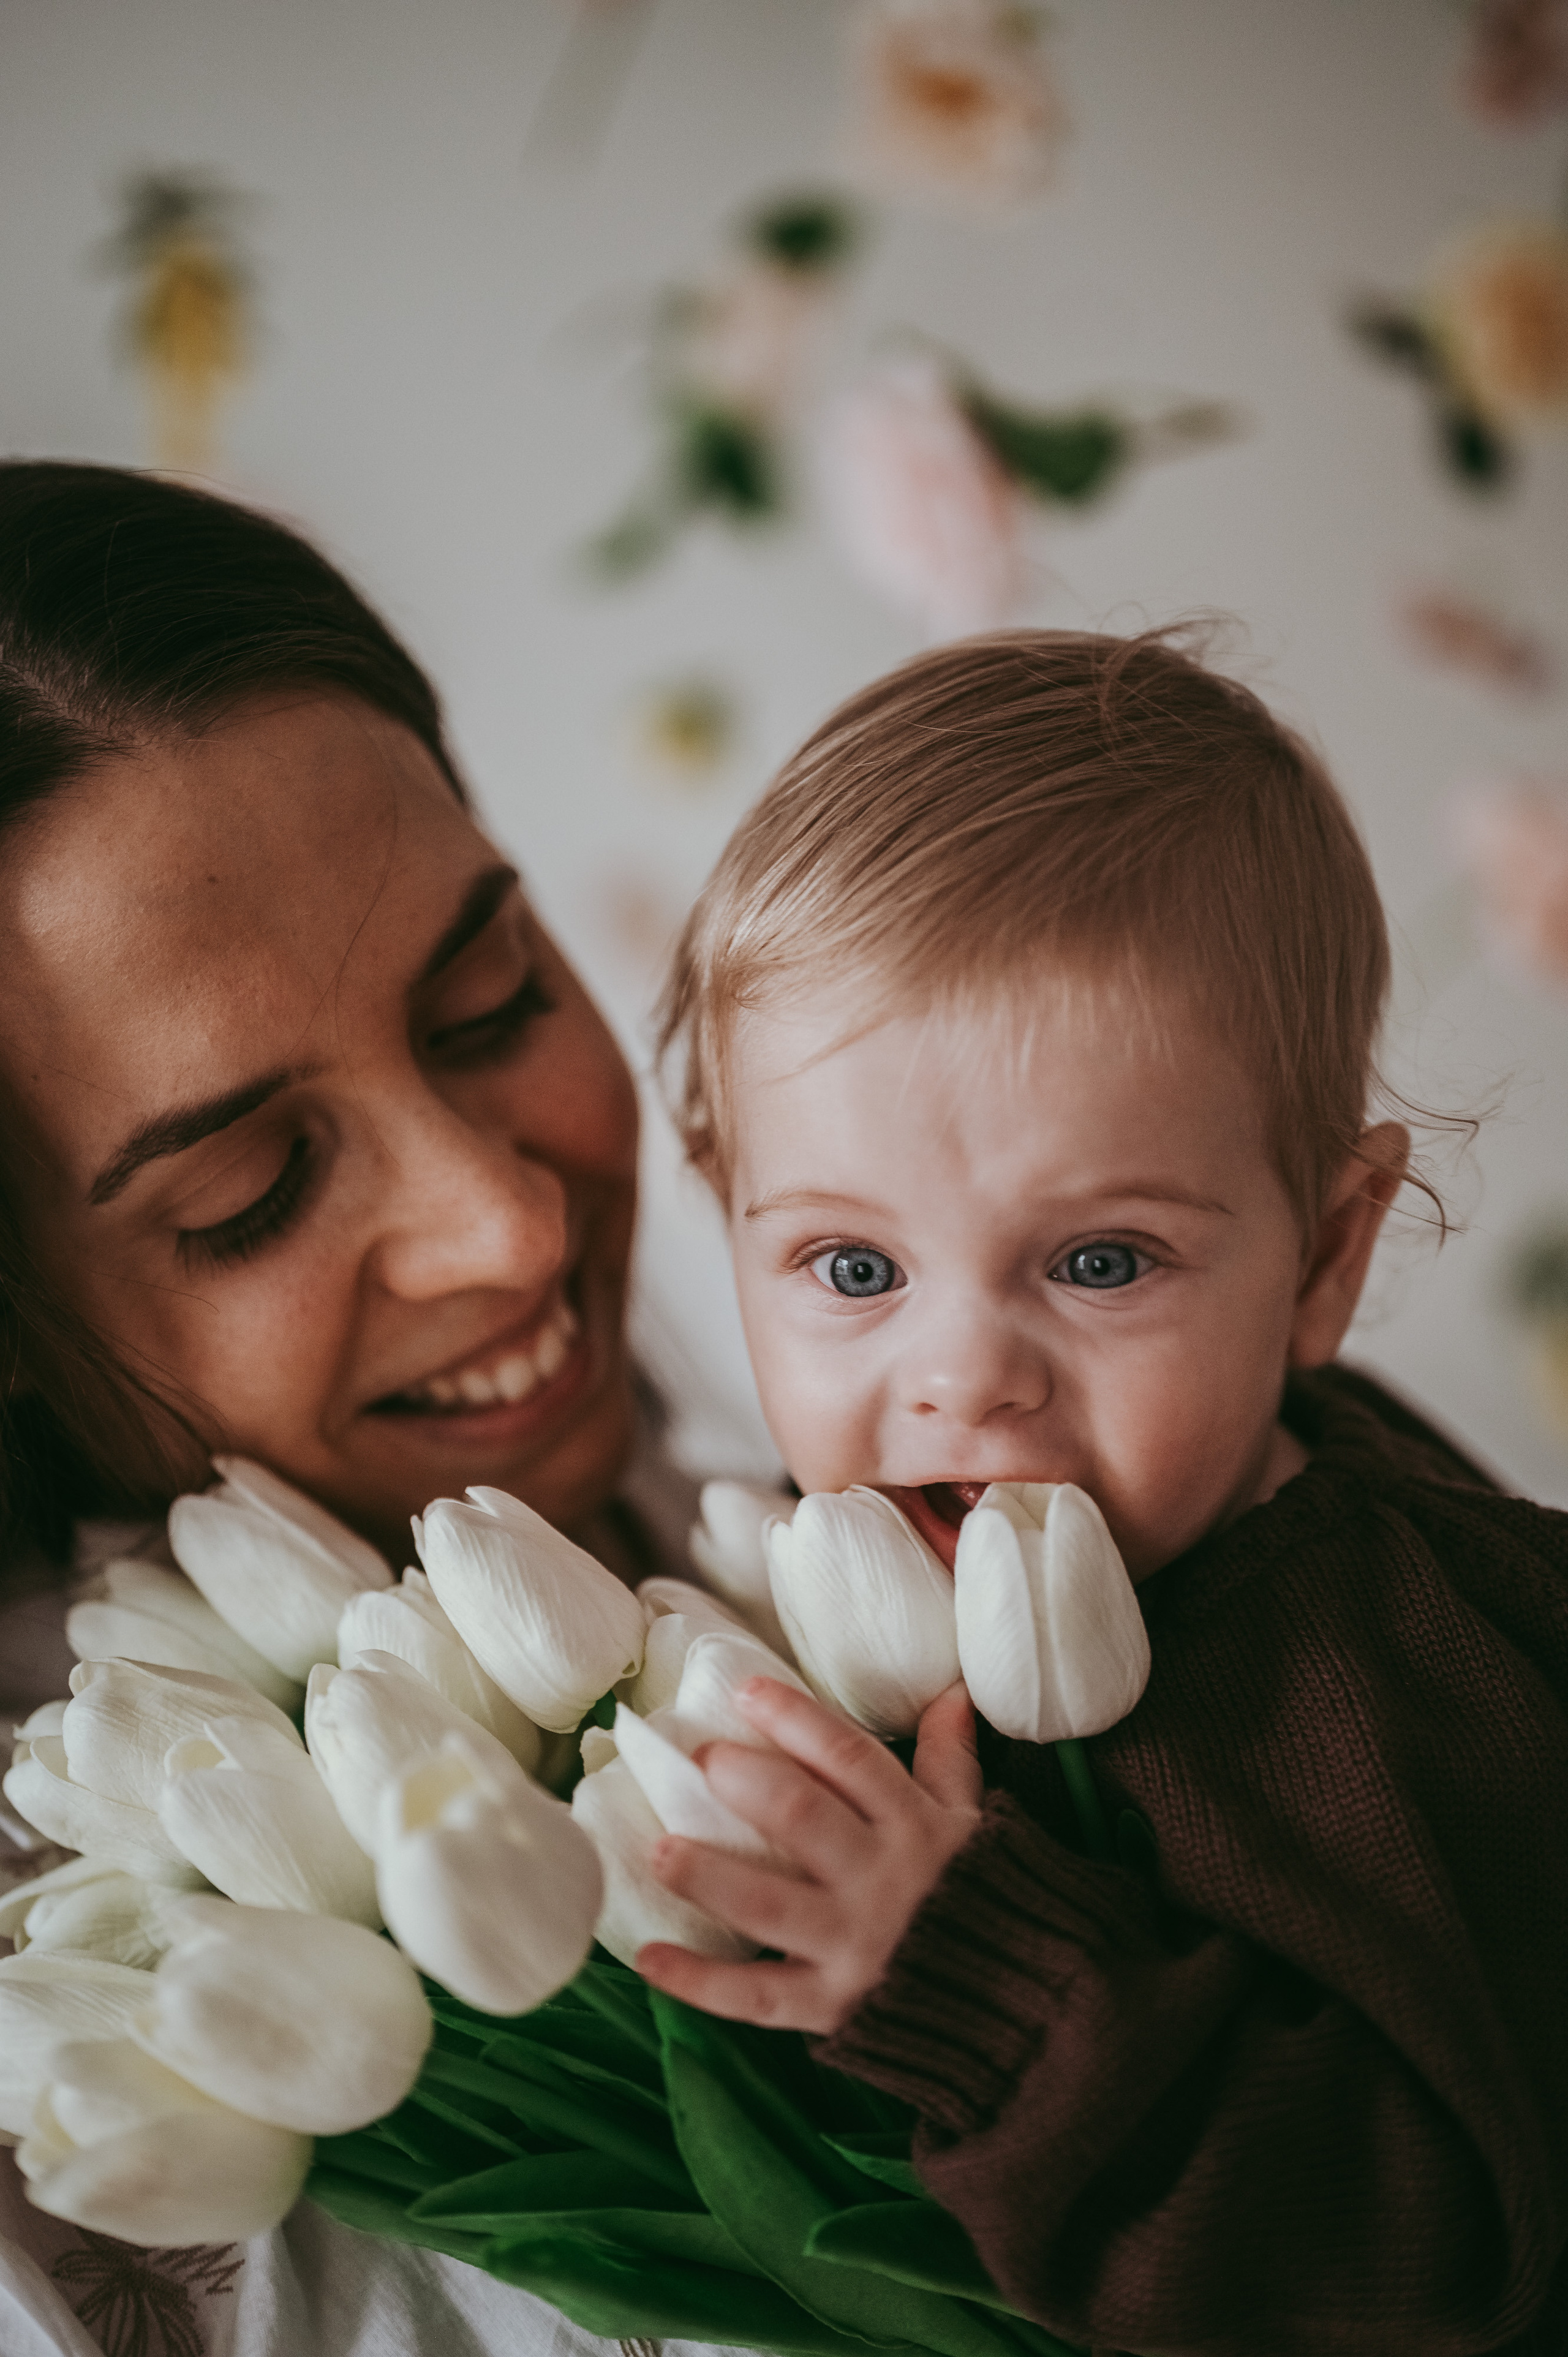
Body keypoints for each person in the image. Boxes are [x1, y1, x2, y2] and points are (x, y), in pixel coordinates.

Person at [639, 628, 1568, 2355]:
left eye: (1098, 1259)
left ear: (1325, 1260)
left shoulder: (1383, 1680)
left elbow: (1434, 2275)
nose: (963, 1375)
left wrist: (982, 1996)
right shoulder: (826, 1546)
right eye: (851, 1269)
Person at [0, 459, 728, 2357]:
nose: (505, 1223)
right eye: (248, 1191)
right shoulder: (74, 2066)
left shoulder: (922, 1514)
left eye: (489, 997)